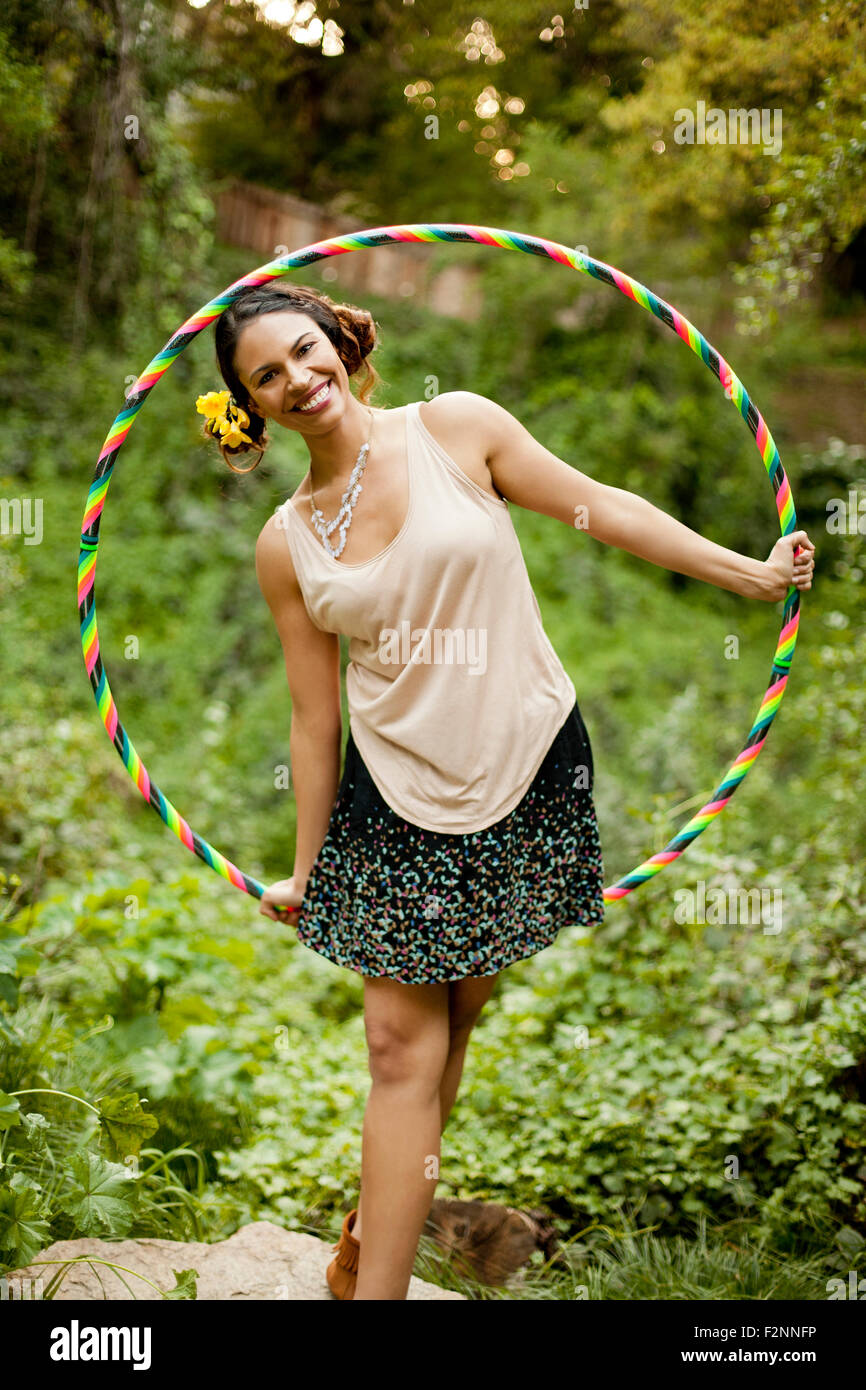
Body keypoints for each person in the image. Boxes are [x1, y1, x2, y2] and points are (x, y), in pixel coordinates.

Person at [197, 282, 816, 1301]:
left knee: (462, 1002)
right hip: (390, 793)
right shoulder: (286, 540)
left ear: (338, 344)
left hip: (523, 754)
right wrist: (312, 871)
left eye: (304, 352)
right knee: (401, 1043)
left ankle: (368, 1232)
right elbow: (314, 723)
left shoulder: (456, 428)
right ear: (251, 405)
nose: (297, 379)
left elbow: (599, 506)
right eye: (266, 376)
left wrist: (748, 575)